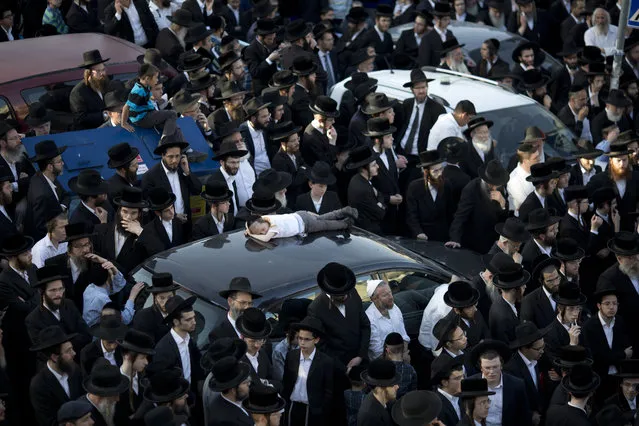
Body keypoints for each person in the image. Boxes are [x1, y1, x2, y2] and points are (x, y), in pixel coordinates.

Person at [140, 134, 202, 232]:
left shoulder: (182, 169)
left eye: (177, 156)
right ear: (163, 155)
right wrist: (175, 216)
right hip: (165, 228)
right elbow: (150, 207)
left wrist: (187, 172)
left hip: (186, 225)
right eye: (170, 157)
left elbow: (198, 190)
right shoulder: (150, 177)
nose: (174, 160)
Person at [447, 160, 510, 254]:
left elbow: (503, 218)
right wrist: (454, 238)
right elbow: (460, 216)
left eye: (497, 184)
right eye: (491, 184)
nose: (494, 187)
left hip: (494, 241)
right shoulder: (471, 189)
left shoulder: (501, 187)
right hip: (475, 241)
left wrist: (503, 204)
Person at [581, 283, 631, 402]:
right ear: (599, 305)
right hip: (599, 379)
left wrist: (613, 356)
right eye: (607, 304)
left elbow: (627, 347)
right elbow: (596, 357)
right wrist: (622, 355)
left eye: (614, 303)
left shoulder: (620, 322)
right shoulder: (589, 326)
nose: (611, 307)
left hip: (618, 377)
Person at [25, 264, 91, 354]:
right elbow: (43, 351)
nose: (58, 294)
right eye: (53, 290)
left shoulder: (69, 304)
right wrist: (73, 338)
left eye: (61, 289)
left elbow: (86, 334)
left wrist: (62, 345)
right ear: (42, 292)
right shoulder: (33, 320)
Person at [282, 316, 334, 426]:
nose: (302, 343)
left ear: (316, 340)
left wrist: (321, 409)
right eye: (300, 338)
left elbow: (328, 390)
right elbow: (286, 382)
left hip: (312, 409)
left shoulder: (325, 361)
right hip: (292, 406)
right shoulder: (291, 356)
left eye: (307, 339)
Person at [29, 326, 84, 426]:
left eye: (72, 349)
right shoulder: (39, 385)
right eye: (68, 351)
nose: (74, 353)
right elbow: (47, 421)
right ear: (54, 357)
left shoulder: (75, 369)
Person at [147, 295, 203, 394]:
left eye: (193, 317)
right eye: (188, 320)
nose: (194, 322)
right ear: (176, 322)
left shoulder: (190, 340)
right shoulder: (163, 349)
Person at [469, 339, 532, 426]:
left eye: (495, 367)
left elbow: (524, 417)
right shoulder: (471, 384)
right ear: (481, 368)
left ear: (501, 365)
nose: (491, 371)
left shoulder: (517, 385)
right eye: (487, 368)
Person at [504, 322, 549, 425]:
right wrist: (530, 415)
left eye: (543, 346)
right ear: (524, 348)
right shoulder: (511, 370)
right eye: (538, 349)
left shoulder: (538, 358)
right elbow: (513, 402)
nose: (542, 351)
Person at [25, 140, 70, 240]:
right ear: (50, 167)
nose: (62, 163)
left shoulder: (42, 176)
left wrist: (62, 207)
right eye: (59, 161)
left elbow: (65, 195)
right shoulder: (42, 195)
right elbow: (40, 228)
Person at [82, 256, 144, 327]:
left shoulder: (90, 287)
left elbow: (120, 285)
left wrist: (115, 271)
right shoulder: (101, 298)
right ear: (108, 278)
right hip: (97, 335)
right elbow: (125, 319)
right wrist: (132, 296)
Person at [122, 64, 178, 138]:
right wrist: (124, 123)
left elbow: (146, 97)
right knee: (172, 114)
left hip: (148, 113)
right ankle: (165, 139)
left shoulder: (146, 86)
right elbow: (126, 107)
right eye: (156, 78)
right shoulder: (138, 91)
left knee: (172, 126)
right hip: (142, 118)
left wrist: (151, 98)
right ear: (147, 79)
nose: (157, 80)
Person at [114, 329, 156, 424]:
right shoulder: (116, 385)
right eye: (142, 358)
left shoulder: (143, 379)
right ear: (128, 356)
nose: (146, 362)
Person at [245, 206, 357, 241]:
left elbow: (265, 239)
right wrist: (248, 228)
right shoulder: (266, 218)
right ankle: (343, 211)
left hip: (305, 226)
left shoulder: (273, 230)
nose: (264, 232)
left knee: (326, 225)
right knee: (323, 218)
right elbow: (255, 221)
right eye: (260, 233)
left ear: (263, 222)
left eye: (263, 229)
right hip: (300, 214)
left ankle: (345, 223)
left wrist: (251, 234)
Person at [544, 280, 587, 363]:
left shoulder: (582, 327)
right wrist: (572, 345)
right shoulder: (550, 334)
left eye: (577, 308)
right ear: (560, 309)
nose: (575, 313)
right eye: (571, 309)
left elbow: (589, 357)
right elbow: (556, 364)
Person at [346, 146, 387, 235]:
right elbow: (380, 214)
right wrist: (380, 203)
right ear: (363, 169)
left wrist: (378, 199)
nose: (377, 166)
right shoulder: (363, 189)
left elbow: (379, 194)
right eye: (373, 165)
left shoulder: (358, 179)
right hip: (368, 233)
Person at [365, 280, 409, 360]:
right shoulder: (369, 319)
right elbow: (378, 352)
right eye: (385, 295)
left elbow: (404, 336)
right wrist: (399, 360)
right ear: (374, 299)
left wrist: (404, 354)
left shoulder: (394, 307)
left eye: (390, 293)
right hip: (384, 364)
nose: (391, 297)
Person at [137, 187, 186, 257]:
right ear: (157, 213)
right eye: (167, 210)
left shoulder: (179, 222)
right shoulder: (149, 230)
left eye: (172, 207)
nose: (172, 212)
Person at [79, 358, 130, 426]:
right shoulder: (81, 413)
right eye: (114, 395)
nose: (118, 399)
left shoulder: (116, 403)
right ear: (101, 395)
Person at [209, 277, 262, 342]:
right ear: (230, 301)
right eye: (243, 303)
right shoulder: (218, 335)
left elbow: (266, 347)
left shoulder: (257, 327)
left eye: (250, 303)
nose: (247, 307)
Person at [70, 50, 113, 130]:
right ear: (89, 73)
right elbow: (80, 118)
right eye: (98, 71)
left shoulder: (107, 83)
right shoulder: (78, 92)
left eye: (103, 70)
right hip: (92, 133)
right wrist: (104, 115)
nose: (102, 73)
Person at [132, 272, 178, 343]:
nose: (166, 302)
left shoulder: (179, 316)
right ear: (155, 298)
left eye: (170, 297)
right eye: (162, 298)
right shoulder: (144, 316)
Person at [489, 262, 529, 344]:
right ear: (514, 290)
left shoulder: (512, 302)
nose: (525, 287)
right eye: (522, 285)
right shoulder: (502, 317)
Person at [207, 356, 253, 425]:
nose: (249, 384)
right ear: (233, 390)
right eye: (244, 383)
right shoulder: (224, 421)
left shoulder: (239, 398)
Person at [243, 18, 280, 98]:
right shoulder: (250, 50)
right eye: (270, 38)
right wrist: (269, 60)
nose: (273, 40)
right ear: (261, 37)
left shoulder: (271, 42)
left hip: (275, 83)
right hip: (262, 90)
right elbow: (255, 72)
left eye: (274, 36)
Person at [521, 256, 561, 328]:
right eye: (550, 281)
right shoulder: (529, 302)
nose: (556, 283)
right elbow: (529, 332)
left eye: (557, 278)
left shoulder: (566, 291)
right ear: (541, 281)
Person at [358, 359, 400, 426]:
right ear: (380, 388)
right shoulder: (370, 417)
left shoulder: (389, 401)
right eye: (393, 385)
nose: (397, 387)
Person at [301, 96, 340, 168]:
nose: (333, 122)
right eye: (331, 120)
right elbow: (326, 163)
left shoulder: (324, 128)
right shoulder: (311, 138)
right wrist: (332, 142)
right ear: (320, 121)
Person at [239, 97, 273, 175]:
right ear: (253, 119)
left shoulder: (265, 125)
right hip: (255, 174)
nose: (268, 119)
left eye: (268, 115)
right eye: (264, 117)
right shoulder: (242, 132)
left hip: (270, 169)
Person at [521, 209, 561, 274]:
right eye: (552, 230)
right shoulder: (529, 258)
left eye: (556, 228)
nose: (556, 231)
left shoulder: (551, 241)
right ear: (542, 237)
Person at [418, 2, 454, 67]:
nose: (448, 22)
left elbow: (454, 53)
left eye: (449, 19)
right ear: (436, 19)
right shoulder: (427, 39)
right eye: (445, 19)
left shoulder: (450, 34)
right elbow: (424, 64)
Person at [430, 355, 464, 426]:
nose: (463, 381)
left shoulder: (464, 396)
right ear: (445, 382)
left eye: (463, 376)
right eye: (457, 378)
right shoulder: (436, 407)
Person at [508, 143, 541, 213]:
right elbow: (528, 205)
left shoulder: (538, 169)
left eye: (538, 156)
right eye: (535, 158)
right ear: (525, 161)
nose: (539, 159)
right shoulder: (514, 181)